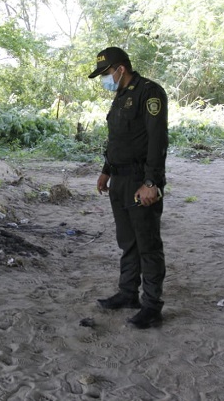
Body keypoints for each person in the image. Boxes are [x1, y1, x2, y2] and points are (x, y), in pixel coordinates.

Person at [89, 47, 168, 329]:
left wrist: (152, 182)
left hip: (139, 181)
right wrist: (106, 170)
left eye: (106, 73)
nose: (104, 80)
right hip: (119, 180)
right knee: (128, 242)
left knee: (147, 244)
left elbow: (157, 141)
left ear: (120, 69)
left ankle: (152, 306)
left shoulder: (149, 92)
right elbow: (118, 139)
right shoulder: (120, 96)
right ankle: (128, 294)